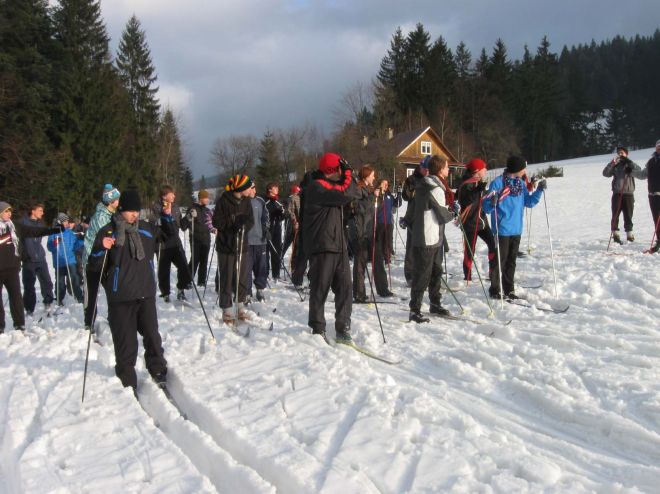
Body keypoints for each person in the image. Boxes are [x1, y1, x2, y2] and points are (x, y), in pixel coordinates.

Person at [88, 189, 167, 392]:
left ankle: (157, 369)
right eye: (130, 211)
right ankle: (127, 377)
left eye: (137, 210)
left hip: (145, 291)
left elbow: (169, 240)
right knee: (125, 341)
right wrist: (100, 247)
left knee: (152, 335)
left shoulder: (147, 229)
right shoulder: (108, 231)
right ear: (121, 209)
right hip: (121, 296)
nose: (134, 214)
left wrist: (168, 218)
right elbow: (95, 266)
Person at [303, 152, 360, 342]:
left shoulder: (330, 187)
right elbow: (346, 192)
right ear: (332, 169)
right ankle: (318, 328)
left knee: (345, 288)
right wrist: (348, 173)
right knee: (320, 288)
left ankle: (343, 326)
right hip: (323, 244)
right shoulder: (316, 187)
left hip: (338, 243)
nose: (340, 171)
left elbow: (353, 192)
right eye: (338, 168)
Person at [483, 156, 546, 299]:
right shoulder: (498, 183)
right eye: (523, 168)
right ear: (517, 169)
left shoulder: (521, 184)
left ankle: (509, 289)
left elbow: (528, 202)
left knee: (511, 261)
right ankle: (495, 289)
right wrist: (491, 202)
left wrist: (539, 191)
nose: (525, 170)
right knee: (500, 260)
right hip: (502, 229)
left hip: (516, 229)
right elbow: (486, 207)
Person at [405, 156, 457, 323]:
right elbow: (442, 215)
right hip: (427, 238)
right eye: (447, 167)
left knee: (436, 272)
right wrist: (454, 212)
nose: (449, 170)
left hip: (433, 237)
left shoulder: (426, 184)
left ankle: (435, 303)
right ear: (440, 169)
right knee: (423, 274)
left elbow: (415, 207)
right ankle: (415, 310)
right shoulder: (434, 188)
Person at [0, 201, 61, 333]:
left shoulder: (14, 226)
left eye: (10, 211)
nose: (9, 213)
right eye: (6, 211)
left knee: (16, 297)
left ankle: (20, 325)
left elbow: (33, 231)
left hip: (12, 268)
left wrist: (53, 230)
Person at [212, 175, 255, 323]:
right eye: (248, 187)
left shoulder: (246, 201)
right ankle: (227, 310)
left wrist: (244, 225)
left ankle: (240, 306)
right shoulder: (223, 201)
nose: (250, 189)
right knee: (227, 277)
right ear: (241, 188)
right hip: (226, 246)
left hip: (241, 245)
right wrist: (233, 221)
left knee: (241, 276)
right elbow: (216, 221)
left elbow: (250, 220)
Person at [82, 184, 120, 331]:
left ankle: (113, 317)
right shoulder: (100, 217)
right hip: (94, 261)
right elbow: (93, 240)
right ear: (111, 202)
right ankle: (89, 321)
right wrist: (103, 244)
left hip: (107, 260)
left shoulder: (112, 215)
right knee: (92, 293)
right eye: (117, 199)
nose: (118, 202)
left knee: (112, 290)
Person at [456, 158, 497, 282]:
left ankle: (493, 274)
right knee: (470, 251)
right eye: (484, 168)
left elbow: (481, 201)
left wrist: (491, 198)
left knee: (493, 244)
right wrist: (477, 190)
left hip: (482, 222)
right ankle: (467, 277)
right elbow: (467, 200)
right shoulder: (466, 184)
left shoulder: (478, 182)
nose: (486, 170)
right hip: (470, 224)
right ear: (477, 171)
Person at [150, 185, 192, 302]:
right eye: (171, 193)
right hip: (162, 245)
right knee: (164, 270)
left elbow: (181, 226)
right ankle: (165, 293)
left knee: (184, 267)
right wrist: (163, 217)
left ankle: (181, 288)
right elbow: (153, 224)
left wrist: (188, 218)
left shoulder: (176, 207)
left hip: (175, 243)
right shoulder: (156, 208)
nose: (174, 195)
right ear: (164, 196)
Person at [352, 165, 384, 303]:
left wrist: (378, 196)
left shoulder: (368, 189)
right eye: (372, 175)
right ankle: (358, 293)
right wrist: (372, 197)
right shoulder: (358, 189)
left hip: (367, 229)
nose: (374, 177)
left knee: (363, 261)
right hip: (359, 230)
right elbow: (360, 208)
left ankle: (360, 292)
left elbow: (373, 208)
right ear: (366, 176)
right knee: (360, 262)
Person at [400, 157, 430, 286]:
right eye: (426, 169)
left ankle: (425, 272)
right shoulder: (412, 179)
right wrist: (413, 189)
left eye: (430, 170)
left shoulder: (431, 179)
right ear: (421, 167)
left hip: (428, 217)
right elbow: (405, 196)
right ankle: (410, 274)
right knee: (412, 246)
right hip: (413, 216)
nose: (428, 172)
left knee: (427, 247)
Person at [602, 146, 642, 243]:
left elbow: (639, 170)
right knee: (615, 215)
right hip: (617, 193)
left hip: (628, 194)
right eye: (619, 153)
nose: (620, 154)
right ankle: (615, 234)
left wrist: (629, 162)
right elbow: (605, 173)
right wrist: (612, 163)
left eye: (622, 153)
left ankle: (629, 235)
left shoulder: (630, 164)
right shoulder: (615, 165)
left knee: (628, 215)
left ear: (626, 154)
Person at [21, 203, 55, 316]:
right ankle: (29, 309)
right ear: (33, 210)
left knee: (47, 282)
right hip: (28, 259)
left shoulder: (40, 223)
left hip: (40, 257)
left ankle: (48, 302)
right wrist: (23, 254)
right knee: (29, 285)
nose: (42, 212)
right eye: (40, 210)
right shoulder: (23, 223)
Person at [47, 213, 84, 305]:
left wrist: (81, 241)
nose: (67, 223)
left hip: (70, 261)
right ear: (60, 222)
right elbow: (50, 247)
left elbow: (75, 246)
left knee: (75, 279)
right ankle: (59, 298)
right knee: (60, 282)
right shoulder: (53, 233)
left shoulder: (70, 232)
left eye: (67, 221)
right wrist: (54, 243)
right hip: (59, 261)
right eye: (65, 221)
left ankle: (79, 297)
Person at [375, 178, 401, 295]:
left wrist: (399, 194)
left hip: (389, 222)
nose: (385, 185)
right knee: (380, 242)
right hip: (380, 222)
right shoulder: (378, 195)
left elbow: (398, 204)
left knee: (388, 241)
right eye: (383, 183)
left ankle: (388, 257)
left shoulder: (389, 195)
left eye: (387, 184)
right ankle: (381, 258)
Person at [634, 139, 660, 253]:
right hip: (653, 195)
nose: (659, 148)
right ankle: (659, 242)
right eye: (658, 146)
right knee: (657, 220)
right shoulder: (651, 162)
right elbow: (642, 175)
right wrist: (631, 171)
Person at [186, 189, 215, 286]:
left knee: (204, 260)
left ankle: (201, 281)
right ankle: (188, 280)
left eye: (208, 198)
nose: (208, 200)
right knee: (195, 259)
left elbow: (212, 222)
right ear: (201, 198)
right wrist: (190, 215)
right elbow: (187, 221)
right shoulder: (193, 208)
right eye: (206, 198)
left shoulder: (207, 210)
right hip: (195, 238)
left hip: (206, 238)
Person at [246, 183, 269, 302]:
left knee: (261, 267)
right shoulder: (243, 202)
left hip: (260, 241)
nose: (254, 190)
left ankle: (260, 289)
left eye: (254, 188)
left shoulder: (260, 201)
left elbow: (265, 217)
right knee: (247, 268)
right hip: (247, 241)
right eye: (251, 188)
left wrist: (266, 229)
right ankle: (247, 293)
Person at [265, 183, 287, 281]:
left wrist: (282, 213)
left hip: (277, 229)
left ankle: (276, 273)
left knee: (277, 251)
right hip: (267, 229)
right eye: (275, 188)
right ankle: (264, 274)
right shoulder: (265, 201)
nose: (277, 189)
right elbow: (264, 214)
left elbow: (283, 215)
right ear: (270, 189)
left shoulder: (278, 202)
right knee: (265, 253)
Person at [282, 184, 301, 266]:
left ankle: (294, 263)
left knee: (294, 243)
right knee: (289, 242)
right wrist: (295, 220)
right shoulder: (293, 198)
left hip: (294, 223)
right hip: (292, 224)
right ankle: (281, 259)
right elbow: (290, 211)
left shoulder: (293, 198)